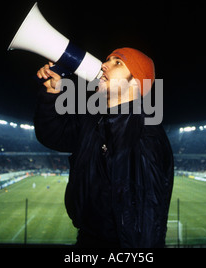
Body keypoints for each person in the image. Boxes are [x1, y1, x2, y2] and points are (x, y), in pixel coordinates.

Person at [34, 47, 174, 248]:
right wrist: (51, 92)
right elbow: (53, 136)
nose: (104, 64)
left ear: (136, 82)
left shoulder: (145, 135)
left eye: (118, 62)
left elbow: (146, 223)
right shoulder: (95, 118)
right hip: (87, 239)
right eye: (108, 59)